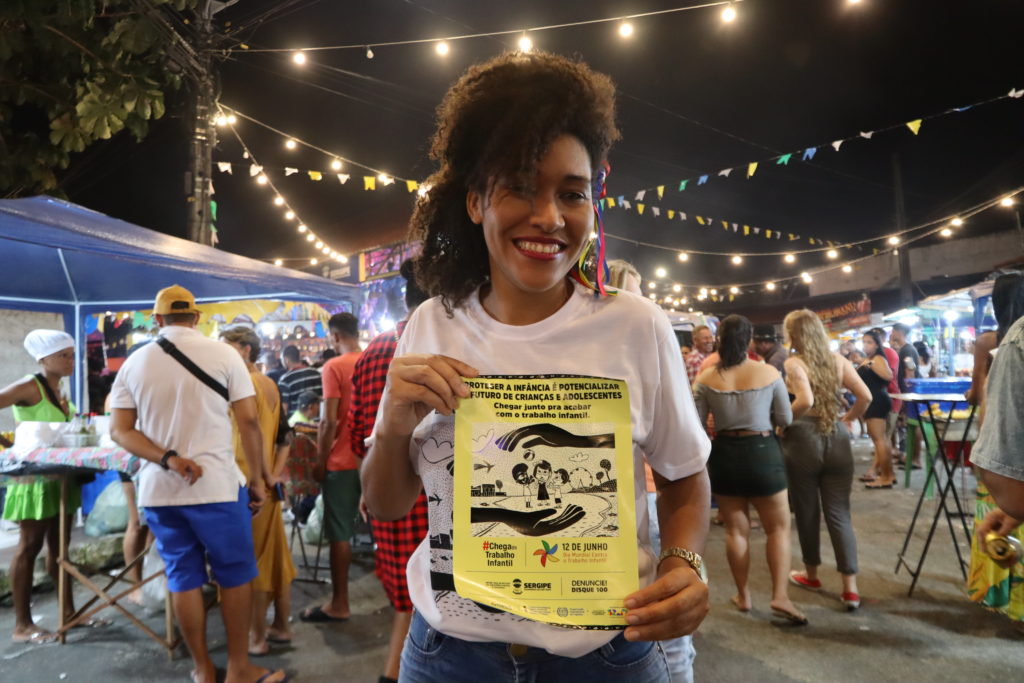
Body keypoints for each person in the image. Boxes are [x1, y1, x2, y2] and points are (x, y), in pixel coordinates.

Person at [361, 51, 711, 682]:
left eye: (572, 193)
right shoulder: (431, 324)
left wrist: (683, 562)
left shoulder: (636, 325)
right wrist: (391, 426)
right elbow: (385, 506)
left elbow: (684, 476)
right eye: (521, 186)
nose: (549, 216)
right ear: (474, 201)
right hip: (448, 658)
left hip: (608, 658)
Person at [109, 285, 286, 683]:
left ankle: (203, 669)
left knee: (182, 576)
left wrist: (168, 459)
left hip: (160, 490)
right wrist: (258, 480)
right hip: (218, 487)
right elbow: (249, 421)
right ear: (197, 317)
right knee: (235, 574)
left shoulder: (134, 363)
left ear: (157, 319)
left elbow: (120, 431)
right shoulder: (225, 354)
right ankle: (239, 668)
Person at [349, 259, 431, 683]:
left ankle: (394, 670)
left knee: (407, 592)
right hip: (434, 496)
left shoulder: (373, 351)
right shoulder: (447, 345)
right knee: (431, 593)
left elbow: (357, 432)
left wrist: (370, 483)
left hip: (384, 483)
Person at [692, 315, 803, 623]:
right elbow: (785, 418)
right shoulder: (768, 372)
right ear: (749, 339)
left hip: (725, 454)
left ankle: (743, 596)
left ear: (720, 339)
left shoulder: (705, 378)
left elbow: (697, 424)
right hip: (763, 452)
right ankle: (780, 597)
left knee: (735, 531)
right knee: (777, 528)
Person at [781, 310, 871, 611]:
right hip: (837, 436)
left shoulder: (794, 363)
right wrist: (848, 418)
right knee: (839, 512)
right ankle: (850, 588)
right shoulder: (839, 360)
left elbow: (804, 400)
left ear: (793, 335)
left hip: (803, 438)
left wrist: (783, 421)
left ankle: (811, 574)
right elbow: (866, 396)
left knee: (806, 511)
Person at [1, 330, 85, 643]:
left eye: (72, 355)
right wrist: (8, 444)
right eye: (63, 355)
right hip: (33, 480)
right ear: (43, 359)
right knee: (29, 546)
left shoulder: (61, 390)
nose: (70, 361)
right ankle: (22, 625)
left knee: (60, 548)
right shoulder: (29, 385)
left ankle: (70, 614)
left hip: (61, 477)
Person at [219, 325, 297, 657]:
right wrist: (274, 474)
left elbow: (251, 432)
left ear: (245, 349)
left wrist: (262, 476)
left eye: (227, 347)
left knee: (250, 564)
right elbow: (285, 437)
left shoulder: (242, 385)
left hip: (247, 484)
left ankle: (256, 637)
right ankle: (280, 626)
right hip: (264, 483)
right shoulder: (269, 383)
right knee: (274, 557)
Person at [967, 271, 1024, 628]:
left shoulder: (1002, 340)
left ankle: (994, 593)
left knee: (997, 522)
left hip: (998, 441)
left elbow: (976, 392)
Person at [300, 312, 362, 623]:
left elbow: (328, 422)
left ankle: (340, 603)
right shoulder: (375, 360)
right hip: (374, 459)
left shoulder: (333, 366)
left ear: (335, 336)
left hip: (342, 462)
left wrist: (320, 462)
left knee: (340, 534)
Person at [856, 329, 898, 488]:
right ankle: (889, 474)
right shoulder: (870, 359)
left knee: (879, 440)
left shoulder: (877, 358)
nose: (866, 345)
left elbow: (888, 376)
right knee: (881, 440)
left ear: (877, 344)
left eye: (869, 342)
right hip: (874, 400)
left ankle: (885, 477)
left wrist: (868, 363)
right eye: (864, 342)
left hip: (877, 401)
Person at [277, 345, 321, 414]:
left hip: (297, 420)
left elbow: (284, 408)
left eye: (281, 359)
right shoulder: (316, 373)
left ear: (286, 359)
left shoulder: (285, 380)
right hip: (317, 419)